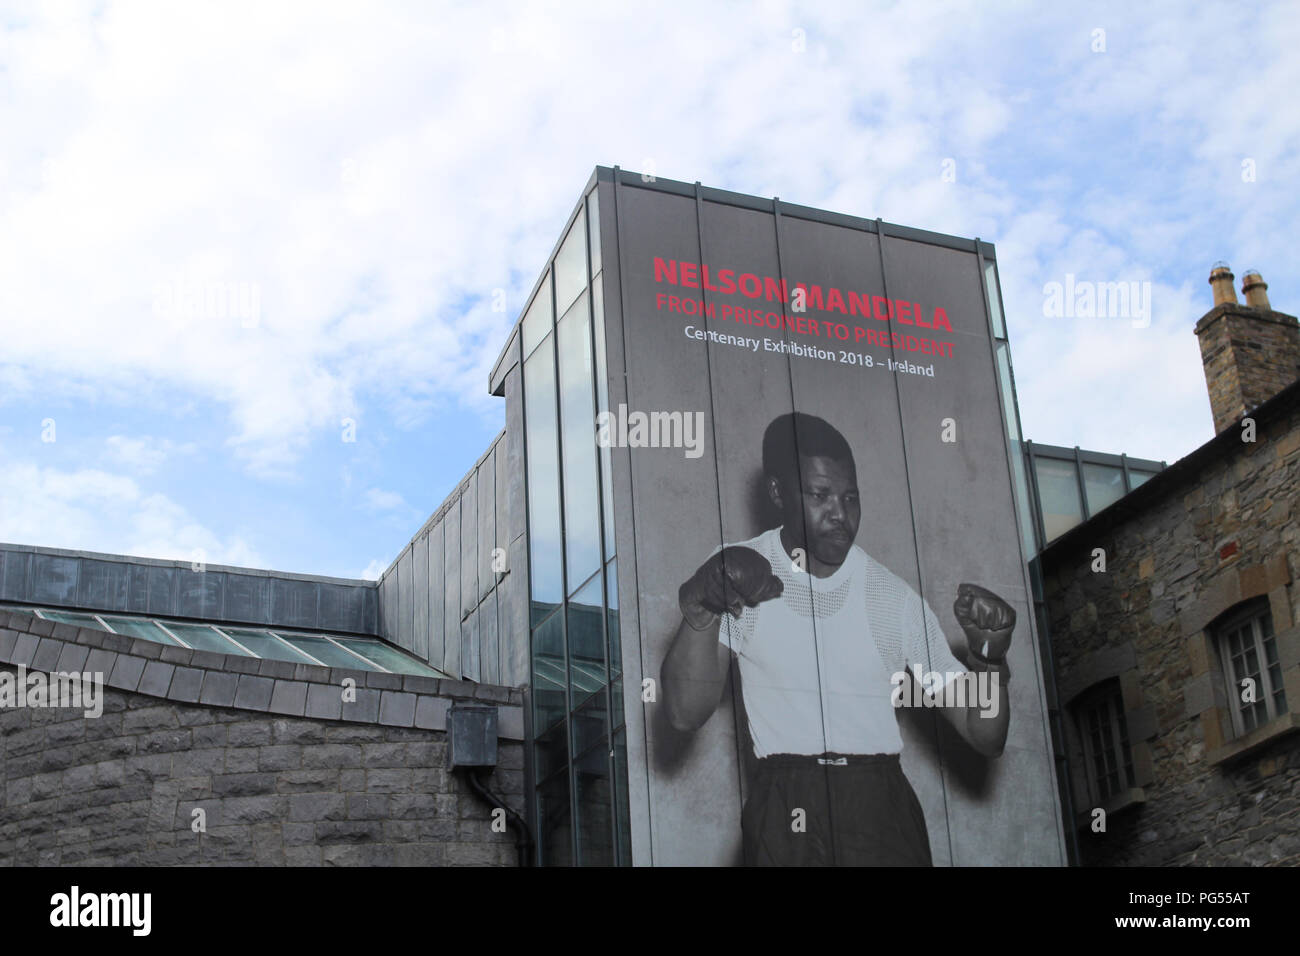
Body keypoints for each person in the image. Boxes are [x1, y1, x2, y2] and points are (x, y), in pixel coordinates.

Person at [660, 411, 1016, 865]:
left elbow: (984, 735)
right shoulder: (741, 571)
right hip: (784, 802)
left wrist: (988, 661)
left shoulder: (892, 598)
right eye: (820, 495)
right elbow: (683, 714)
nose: (840, 515)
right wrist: (701, 610)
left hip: (880, 807)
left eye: (850, 497)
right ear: (778, 493)